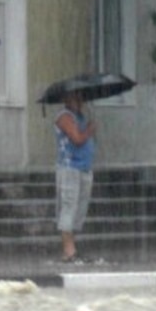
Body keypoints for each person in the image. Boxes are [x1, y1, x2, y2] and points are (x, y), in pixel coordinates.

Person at [54, 90, 98, 263]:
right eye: (75, 98)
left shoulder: (80, 116)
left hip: (84, 168)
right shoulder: (64, 117)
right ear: (67, 99)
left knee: (80, 208)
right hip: (70, 167)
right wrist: (90, 130)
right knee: (69, 206)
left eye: (81, 98)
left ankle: (72, 246)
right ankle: (68, 250)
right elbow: (77, 139)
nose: (79, 101)